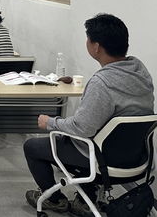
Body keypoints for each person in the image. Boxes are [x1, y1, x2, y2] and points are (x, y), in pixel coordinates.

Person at [23, 14, 154, 216]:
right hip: (136, 158)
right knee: (94, 137)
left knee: (32, 146)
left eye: (88, 39)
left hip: (103, 159)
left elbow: (81, 128)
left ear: (96, 47)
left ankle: (54, 199)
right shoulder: (141, 72)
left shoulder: (102, 82)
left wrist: (50, 122)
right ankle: (86, 200)